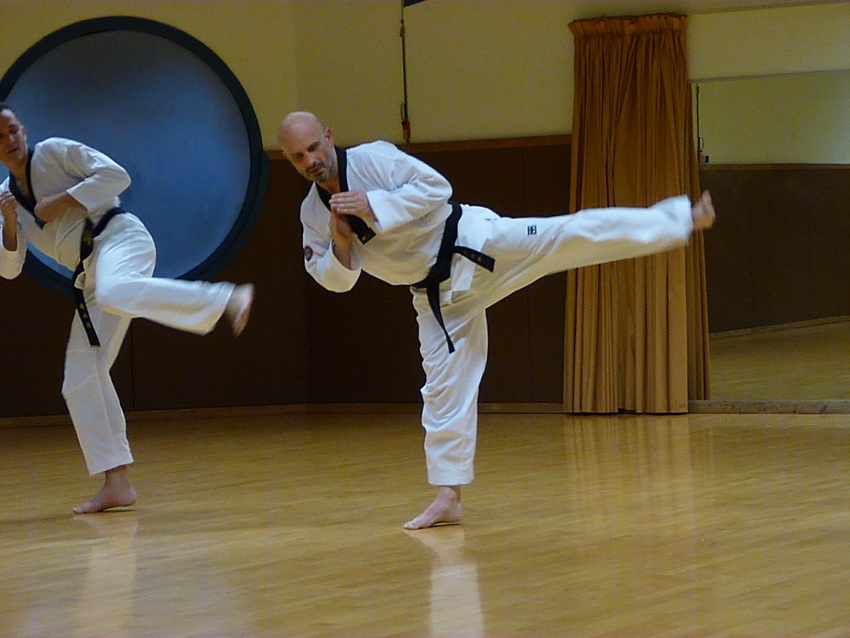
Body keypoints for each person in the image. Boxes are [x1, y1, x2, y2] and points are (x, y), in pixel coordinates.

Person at [277, 111, 715, 530]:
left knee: (568, 233)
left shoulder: (374, 159)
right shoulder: (313, 216)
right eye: (298, 156)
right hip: (438, 297)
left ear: (328, 137)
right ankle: (449, 497)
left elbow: (436, 187)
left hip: (477, 243)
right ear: (289, 160)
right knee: (442, 389)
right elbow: (334, 281)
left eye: (313, 147)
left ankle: (680, 218)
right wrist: (341, 243)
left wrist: (374, 203)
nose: (310, 160)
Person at [0, 103, 255, 514]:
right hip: (90, 277)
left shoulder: (55, 152)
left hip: (119, 239)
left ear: (24, 130)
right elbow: (10, 269)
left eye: (13, 130)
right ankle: (116, 482)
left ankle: (225, 298)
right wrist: (10, 222)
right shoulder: (5, 198)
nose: (10, 140)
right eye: (0, 137)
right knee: (80, 378)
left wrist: (62, 200)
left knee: (116, 291)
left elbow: (117, 176)